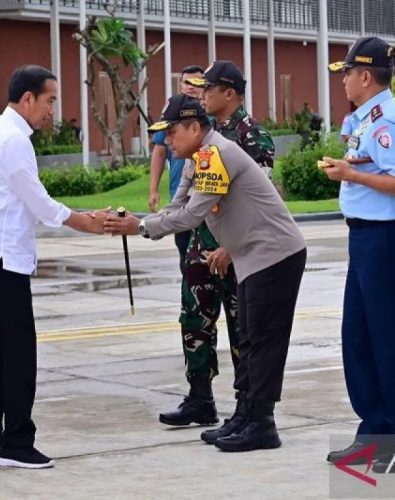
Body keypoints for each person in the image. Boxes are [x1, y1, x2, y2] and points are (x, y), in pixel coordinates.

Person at [104, 95, 306, 452]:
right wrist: (138, 222)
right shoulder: (199, 157)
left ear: (195, 128)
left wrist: (139, 228)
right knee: (249, 339)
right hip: (253, 257)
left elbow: (191, 216)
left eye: (172, 132)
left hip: (275, 255)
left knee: (261, 342)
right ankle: (245, 416)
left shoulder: (217, 155)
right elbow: (176, 206)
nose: (167, 141)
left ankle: (262, 424)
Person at [0, 65, 109, 469]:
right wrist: (86, 222)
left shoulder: (1, 131)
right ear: (27, 99)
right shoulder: (12, 139)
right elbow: (39, 202)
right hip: (1, 258)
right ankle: (17, 444)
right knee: (20, 353)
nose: (52, 112)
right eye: (50, 102)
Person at [323, 37, 395, 473]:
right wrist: (351, 171)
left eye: (348, 73)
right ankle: (376, 431)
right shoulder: (367, 118)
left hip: (388, 238)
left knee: (392, 340)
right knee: (360, 338)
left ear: (366, 76)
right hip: (368, 238)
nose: (345, 81)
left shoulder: (388, 119)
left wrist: (352, 173)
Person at [170, 61, 275, 444]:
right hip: (201, 246)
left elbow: (260, 204)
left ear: (229, 93)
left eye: (209, 88)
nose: (202, 93)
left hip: (235, 254)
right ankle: (200, 399)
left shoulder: (252, 137)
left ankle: (245, 410)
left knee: (241, 333)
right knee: (194, 322)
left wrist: (230, 248)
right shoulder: (206, 136)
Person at [148, 64, 205, 268]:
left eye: (195, 82)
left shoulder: (210, 118)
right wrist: (153, 189)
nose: (190, 87)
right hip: (180, 198)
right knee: (187, 259)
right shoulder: (171, 114)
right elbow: (159, 150)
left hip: (206, 201)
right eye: (185, 82)